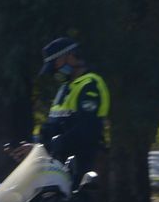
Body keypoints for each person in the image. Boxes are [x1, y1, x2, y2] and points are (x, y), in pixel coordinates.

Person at [37, 37, 109, 183]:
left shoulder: (90, 85)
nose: (54, 70)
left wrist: (57, 143)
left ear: (70, 56)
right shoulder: (65, 88)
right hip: (59, 169)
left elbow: (87, 128)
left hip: (82, 168)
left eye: (55, 64)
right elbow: (53, 124)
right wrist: (36, 145)